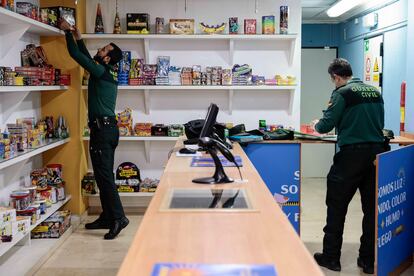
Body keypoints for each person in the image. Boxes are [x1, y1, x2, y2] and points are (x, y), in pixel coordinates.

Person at [312, 58, 388, 274]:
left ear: (336, 77)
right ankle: (367, 260)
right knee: (371, 209)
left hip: (351, 157)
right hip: (376, 155)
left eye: (332, 80)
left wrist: (317, 123)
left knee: (336, 206)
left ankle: (331, 258)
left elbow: (325, 126)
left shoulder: (342, 93)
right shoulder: (374, 92)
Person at [60, 20, 129, 240]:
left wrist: (66, 33)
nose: (100, 50)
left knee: (105, 177)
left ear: (107, 58)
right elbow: (87, 58)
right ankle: (108, 216)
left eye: (104, 49)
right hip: (106, 130)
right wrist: (78, 36)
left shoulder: (101, 72)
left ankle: (119, 217)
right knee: (102, 176)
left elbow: (77, 56)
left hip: (103, 131)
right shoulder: (105, 71)